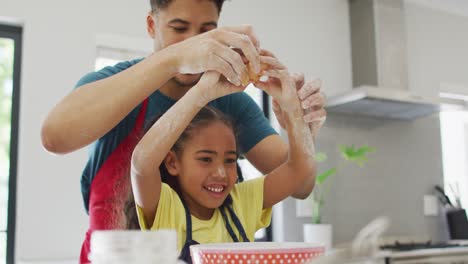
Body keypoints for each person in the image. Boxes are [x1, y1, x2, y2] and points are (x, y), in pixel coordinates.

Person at [40, 0, 326, 263]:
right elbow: (54, 137)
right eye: (179, 29)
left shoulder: (229, 98)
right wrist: (175, 59)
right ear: (152, 25)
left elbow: (299, 184)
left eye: (206, 31)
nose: (194, 43)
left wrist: (298, 123)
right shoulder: (116, 85)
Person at [130, 61, 317, 263]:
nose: (220, 172)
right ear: (173, 163)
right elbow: (142, 163)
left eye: (230, 160)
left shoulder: (242, 202)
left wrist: (293, 113)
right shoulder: (166, 209)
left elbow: (299, 170)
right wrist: (201, 94)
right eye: (205, 159)